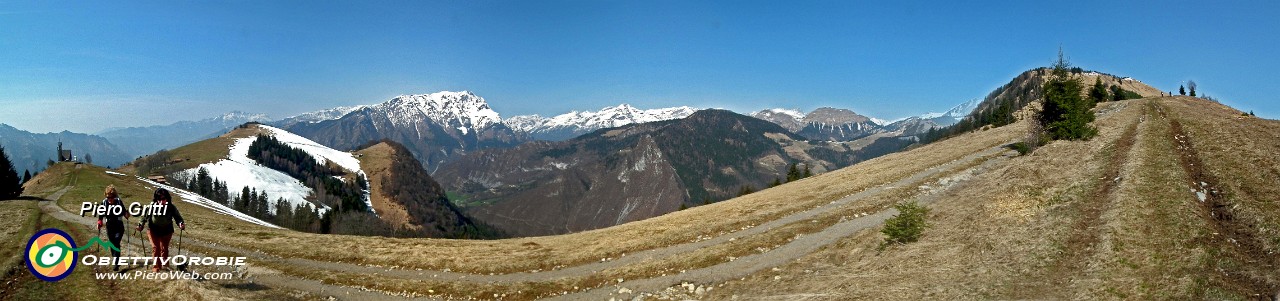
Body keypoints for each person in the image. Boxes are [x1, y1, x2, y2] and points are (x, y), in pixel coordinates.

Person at [136, 188, 184, 272]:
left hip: (167, 231)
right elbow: (144, 217)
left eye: (163, 199)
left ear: (167, 198)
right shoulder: (151, 206)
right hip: (153, 230)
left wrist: (180, 224)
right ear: (156, 199)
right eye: (159, 199)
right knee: (156, 248)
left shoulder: (171, 207)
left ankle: (165, 266)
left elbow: (178, 217)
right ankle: (156, 267)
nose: (161, 201)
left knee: (164, 248)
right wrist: (141, 225)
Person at [96, 185, 130, 272]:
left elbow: (124, 212)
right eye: (108, 197)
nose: (109, 199)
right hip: (109, 225)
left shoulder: (118, 202)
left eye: (111, 197)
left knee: (116, 241)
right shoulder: (104, 203)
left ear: (114, 196)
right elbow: (101, 214)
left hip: (119, 225)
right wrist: (100, 221)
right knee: (112, 243)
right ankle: (115, 259)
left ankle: (116, 262)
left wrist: (127, 214)